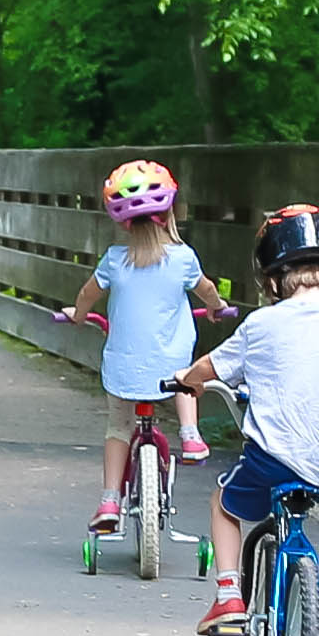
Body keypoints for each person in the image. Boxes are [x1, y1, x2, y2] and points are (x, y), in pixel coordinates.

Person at [175, 203, 319, 636]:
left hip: (270, 464)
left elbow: (211, 367)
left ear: (271, 281)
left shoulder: (260, 324)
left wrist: (188, 379)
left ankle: (228, 596)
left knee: (224, 505)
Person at [54, 160, 234, 523]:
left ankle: (108, 500)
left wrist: (77, 313)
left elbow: (88, 293)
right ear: (170, 213)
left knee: (118, 427)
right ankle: (190, 433)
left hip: (123, 369)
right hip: (171, 369)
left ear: (122, 221)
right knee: (186, 370)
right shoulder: (183, 259)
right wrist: (217, 308)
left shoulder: (114, 260)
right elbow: (208, 291)